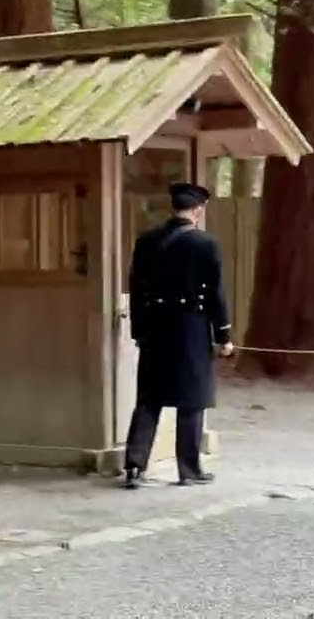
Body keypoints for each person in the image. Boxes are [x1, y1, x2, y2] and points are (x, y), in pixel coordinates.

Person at [123, 181, 233, 489]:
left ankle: (134, 467)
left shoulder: (146, 242)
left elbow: (137, 290)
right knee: (192, 399)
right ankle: (189, 469)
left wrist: (139, 331)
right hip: (190, 329)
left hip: (155, 329)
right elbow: (216, 294)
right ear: (197, 210)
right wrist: (223, 335)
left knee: (149, 399)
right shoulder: (205, 244)